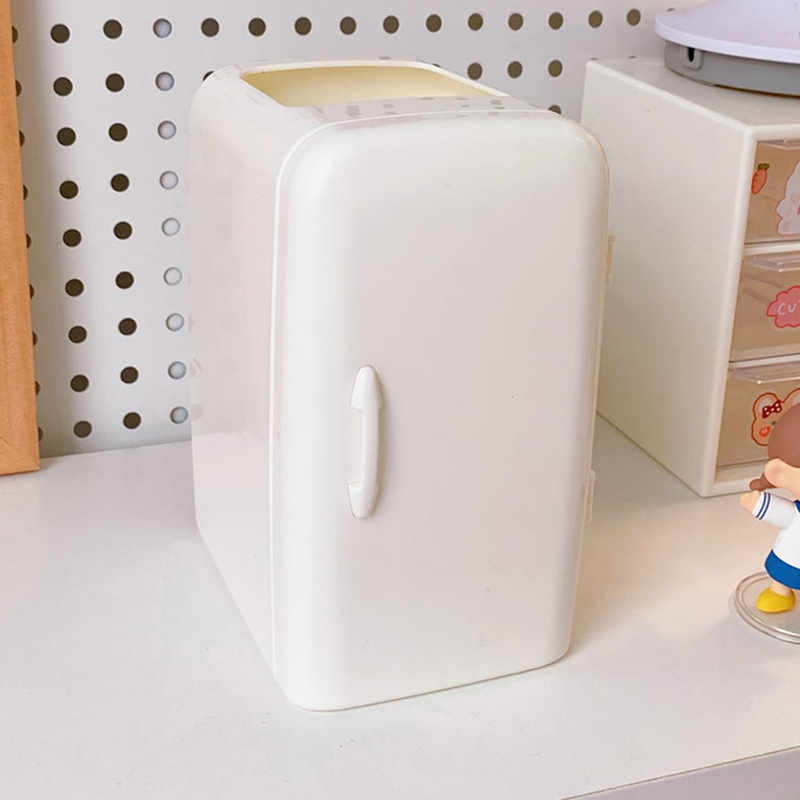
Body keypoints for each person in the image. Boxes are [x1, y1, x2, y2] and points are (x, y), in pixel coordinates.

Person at [740, 403, 800, 612]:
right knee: (784, 575)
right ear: (778, 474)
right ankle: (780, 592)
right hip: (791, 558)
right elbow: (781, 513)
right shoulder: (795, 515)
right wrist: (756, 503)